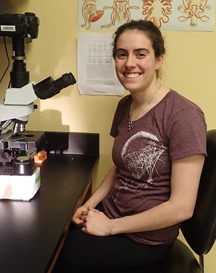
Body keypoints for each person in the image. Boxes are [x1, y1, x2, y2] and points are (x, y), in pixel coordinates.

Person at [52, 20, 207, 273]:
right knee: (54, 232)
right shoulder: (125, 106)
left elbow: (182, 207)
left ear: (158, 60)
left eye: (140, 54)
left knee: (56, 256)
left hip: (144, 238)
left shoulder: (184, 115)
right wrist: (90, 204)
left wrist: (110, 227)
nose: (129, 63)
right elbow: (120, 167)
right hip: (111, 215)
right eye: (121, 54)